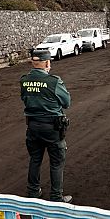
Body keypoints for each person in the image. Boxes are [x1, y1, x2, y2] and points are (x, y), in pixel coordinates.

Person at [20, 50, 72, 203]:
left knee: (35, 159)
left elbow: (24, 98)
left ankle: (33, 192)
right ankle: (56, 196)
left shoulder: (24, 80)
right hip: (52, 127)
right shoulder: (54, 81)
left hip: (33, 126)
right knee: (56, 162)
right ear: (47, 63)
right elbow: (66, 103)